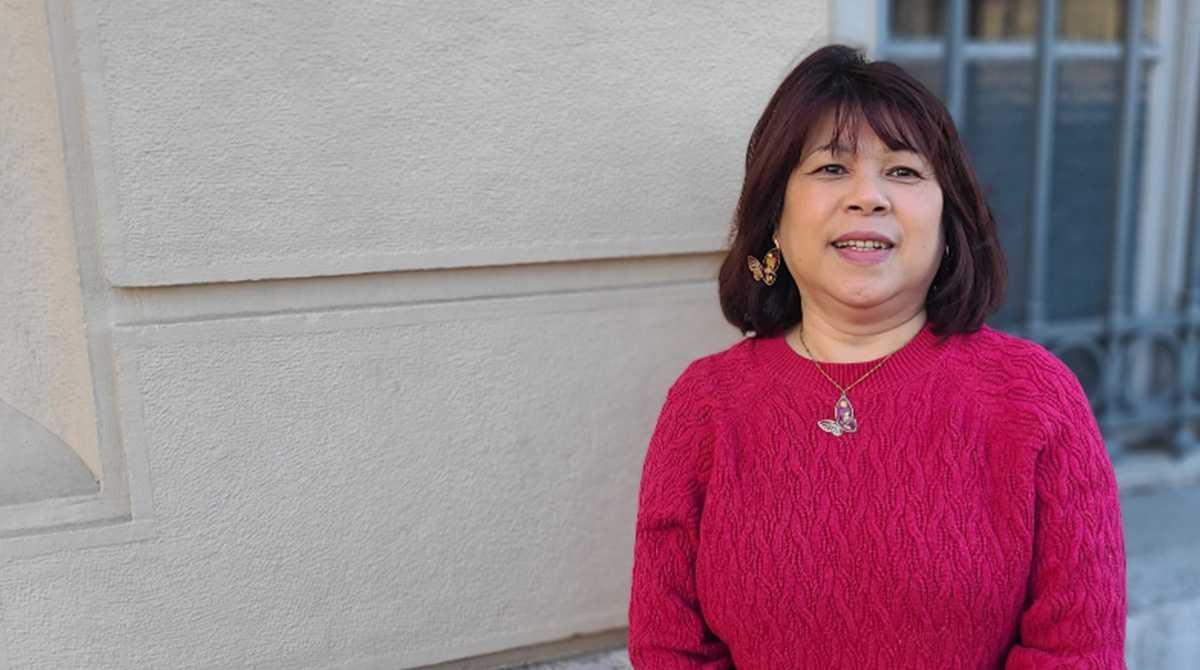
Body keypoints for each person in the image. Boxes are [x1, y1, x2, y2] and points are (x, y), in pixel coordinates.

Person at [626, 44, 1127, 669]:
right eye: (832, 169)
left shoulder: (1035, 397)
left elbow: (1075, 652)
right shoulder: (706, 406)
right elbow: (670, 649)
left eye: (904, 172)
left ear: (949, 223)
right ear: (774, 222)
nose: (869, 196)